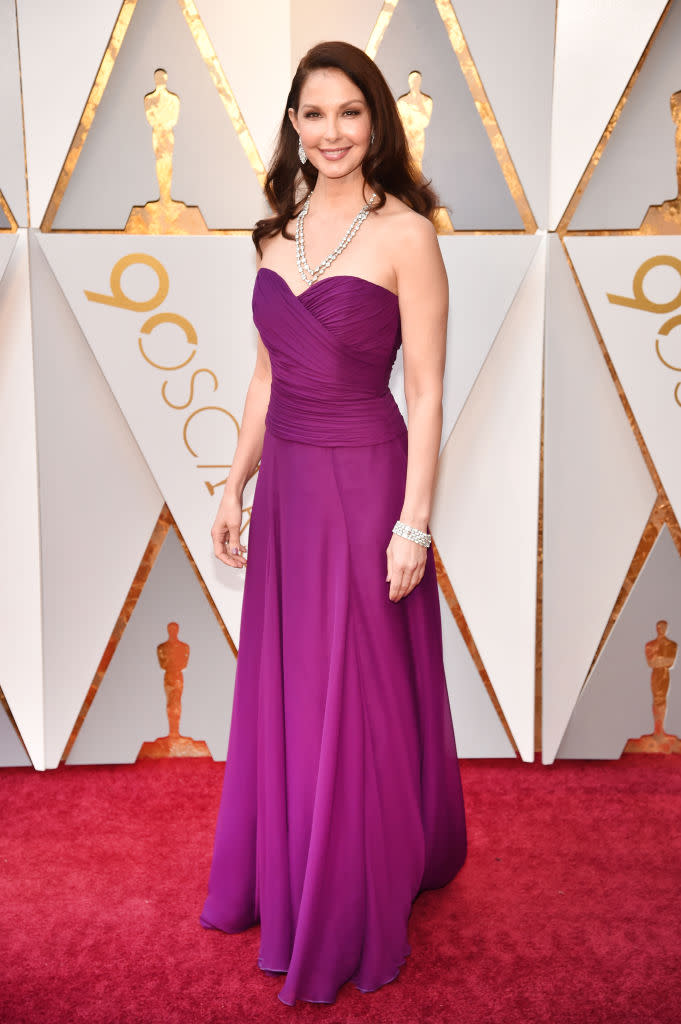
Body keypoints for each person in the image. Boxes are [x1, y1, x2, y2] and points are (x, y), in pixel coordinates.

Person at [199, 40, 467, 1007]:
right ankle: (298, 866)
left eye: (349, 112)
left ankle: (356, 884)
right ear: (295, 127)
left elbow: (429, 392)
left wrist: (415, 523)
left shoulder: (408, 234)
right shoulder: (278, 235)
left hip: (367, 486)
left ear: (376, 122)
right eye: (314, 114)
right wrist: (234, 484)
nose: (332, 132)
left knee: (355, 690)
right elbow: (269, 375)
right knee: (296, 689)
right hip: (291, 498)